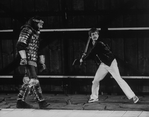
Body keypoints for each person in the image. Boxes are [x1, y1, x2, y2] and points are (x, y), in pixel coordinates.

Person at [79, 28, 139, 103]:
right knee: (95, 80)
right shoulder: (94, 43)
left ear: (98, 35)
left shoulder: (99, 43)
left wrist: (83, 59)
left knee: (118, 79)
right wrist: (84, 57)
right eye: (93, 34)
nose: (95, 35)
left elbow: (92, 54)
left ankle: (133, 96)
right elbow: (94, 54)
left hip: (111, 63)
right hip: (103, 64)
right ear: (90, 36)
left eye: (96, 34)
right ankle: (94, 97)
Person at [16, 17, 50, 109]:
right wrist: (24, 58)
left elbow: (38, 48)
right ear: (35, 22)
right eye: (40, 23)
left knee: (27, 80)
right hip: (28, 58)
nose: (41, 26)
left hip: (33, 59)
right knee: (34, 79)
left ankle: (20, 101)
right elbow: (20, 44)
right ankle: (41, 101)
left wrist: (42, 62)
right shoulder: (27, 30)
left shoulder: (35, 32)